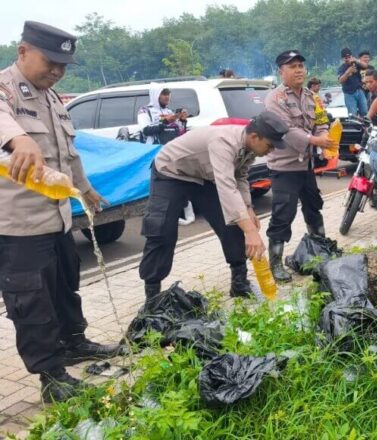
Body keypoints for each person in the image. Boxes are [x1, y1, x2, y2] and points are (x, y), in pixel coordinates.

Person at [0, 21, 123, 403]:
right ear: (23, 52)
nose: (56, 71)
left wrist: (84, 188)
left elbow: (69, 154)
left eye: (63, 66)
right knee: (31, 300)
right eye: (49, 61)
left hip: (57, 218)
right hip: (18, 225)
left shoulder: (52, 98)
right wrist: (17, 137)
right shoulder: (5, 89)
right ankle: (51, 375)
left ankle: (74, 342)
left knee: (65, 287)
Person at [139, 112, 287, 303]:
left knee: (233, 222)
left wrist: (248, 209)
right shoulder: (224, 142)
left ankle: (239, 283)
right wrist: (251, 232)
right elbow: (226, 187)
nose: (271, 150)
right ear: (254, 137)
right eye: (270, 145)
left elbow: (239, 176)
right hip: (171, 172)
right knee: (162, 230)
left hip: (203, 176)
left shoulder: (249, 147)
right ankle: (152, 298)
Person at [265, 50, 333, 282]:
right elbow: (285, 130)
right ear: (281, 71)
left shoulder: (311, 96)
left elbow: (322, 121)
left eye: (301, 66)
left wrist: (324, 140)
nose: (299, 70)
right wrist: (315, 141)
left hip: (306, 166)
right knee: (283, 215)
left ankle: (320, 250)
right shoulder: (275, 98)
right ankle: (274, 263)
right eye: (292, 66)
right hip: (284, 167)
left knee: (314, 207)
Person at [137, 86, 195, 225]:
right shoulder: (145, 110)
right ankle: (160, 215)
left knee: (178, 181)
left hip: (172, 152)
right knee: (160, 185)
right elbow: (146, 130)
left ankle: (185, 214)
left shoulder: (169, 111)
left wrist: (182, 120)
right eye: (163, 94)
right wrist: (165, 122)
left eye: (168, 94)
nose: (167, 97)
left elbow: (180, 133)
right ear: (156, 95)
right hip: (155, 152)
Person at [337, 48, 369, 117]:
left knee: (365, 112)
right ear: (343, 59)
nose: (348, 59)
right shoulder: (341, 68)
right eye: (346, 58)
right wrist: (348, 72)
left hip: (359, 91)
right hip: (349, 94)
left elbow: (366, 66)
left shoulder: (356, 64)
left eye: (349, 57)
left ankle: (365, 127)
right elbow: (340, 80)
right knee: (352, 114)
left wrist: (356, 60)